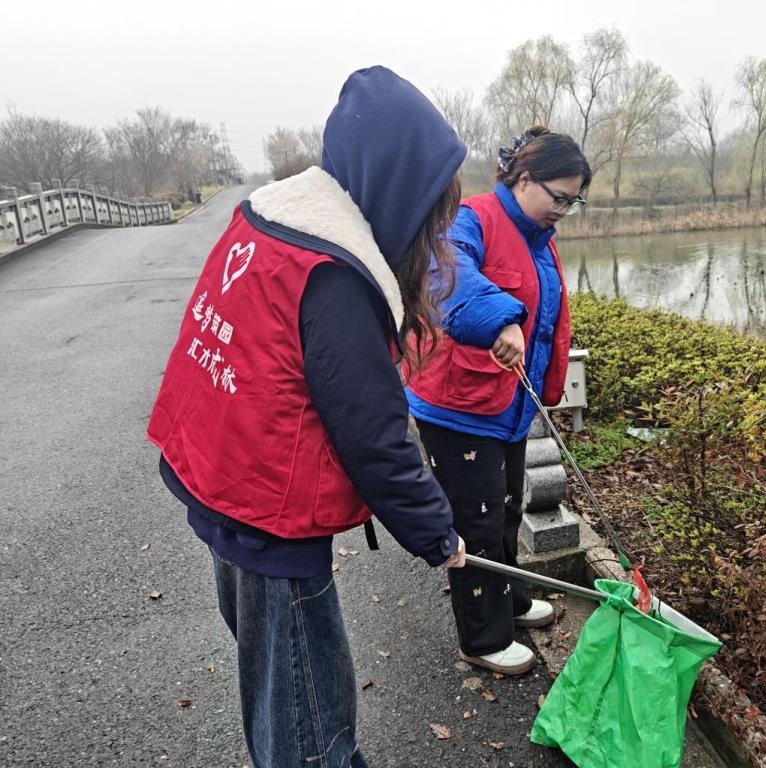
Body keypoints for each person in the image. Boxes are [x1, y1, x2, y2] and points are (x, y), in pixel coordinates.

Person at [146, 66, 467, 768]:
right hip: (265, 516)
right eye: (431, 206)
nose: (435, 228)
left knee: (280, 691)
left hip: (221, 484)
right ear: (396, 184)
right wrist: (438, 534)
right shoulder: (333, 271)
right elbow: (374, 436)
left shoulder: (270, 221)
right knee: (307, 728)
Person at [404, 126, 591, 675]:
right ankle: (482, 639)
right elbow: (444, 272)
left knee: (507, 507)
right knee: (477, 522)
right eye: (559, 197)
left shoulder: (539, 236)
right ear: (524, 179)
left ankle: (510, 602)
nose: (563, 210)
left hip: (506, 403)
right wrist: (498, 318)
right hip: (459, 405)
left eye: (573, 202)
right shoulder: (472, 219)